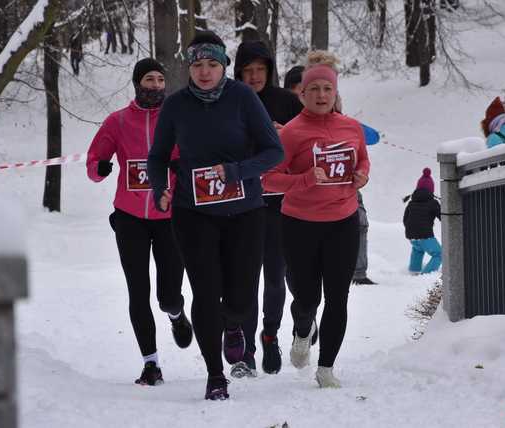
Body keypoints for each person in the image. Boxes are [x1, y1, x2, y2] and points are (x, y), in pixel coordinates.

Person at [147, 31, 283, 400]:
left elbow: (275, 152)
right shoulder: (175, 105)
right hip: (193, 212)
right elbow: (157, 156)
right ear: (188, 68)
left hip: (245, 212)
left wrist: (238, 171)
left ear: (224, 65)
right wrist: (160, 187)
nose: (204, 72)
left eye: (212, 64)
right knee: (205, 292)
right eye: (197, 65)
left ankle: (234, 324)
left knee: (239, 298)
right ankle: (214, 374)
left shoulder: (243, 98)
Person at [263, 51, 370, 388]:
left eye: (328, 89)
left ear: (334, 93)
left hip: (343, 220)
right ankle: (302, 328)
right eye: (315, 90)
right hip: (300, 223)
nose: (322, 95)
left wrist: (362, 175)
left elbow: (363, 160)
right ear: (303, 94)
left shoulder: (351, 127)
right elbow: (268, 179)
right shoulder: (291, 133)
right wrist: (306, 179)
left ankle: (326, 368)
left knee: (338, 296)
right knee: (307, 297)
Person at [86, 58, 192, 387]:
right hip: (130, 217)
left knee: (168, 295)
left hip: (169, 217)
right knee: (138, 291)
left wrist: (177, 170)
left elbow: (194, 156)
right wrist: (100, 168)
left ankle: (176, 314)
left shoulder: (177, 119)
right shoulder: (117, 122)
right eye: (150, 79)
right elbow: (94, 160)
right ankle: (151, 364)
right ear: (137, 83)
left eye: (161, 79)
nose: (156, 85)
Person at [231, 40, 303, 378]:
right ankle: (244, 350)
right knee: (244, 279)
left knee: (275, 276)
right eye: (248, 70)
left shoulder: (287, 102)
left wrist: (285, 134)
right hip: (240, 203)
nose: (255, 76)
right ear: (239, 72)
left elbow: (306, 144)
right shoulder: (228, 99)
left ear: (270, 71)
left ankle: (270, 335)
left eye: (261, 70)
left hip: (278, 204)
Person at [332, 93, 379, 286]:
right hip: (317, 188)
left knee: (360, 223)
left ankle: (358, 273)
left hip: (348, 185)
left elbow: (373, 137)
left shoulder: (347, 125)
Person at [403, 168, 441, 274]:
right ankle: (425, 275)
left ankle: (413, 272)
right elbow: (444, 217)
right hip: (425, 236)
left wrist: (411, 230)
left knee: (418, 250)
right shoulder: (433, 203)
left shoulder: (411, 203)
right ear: (431, 189)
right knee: (439, 254)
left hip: (411, 236)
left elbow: (405, 219)